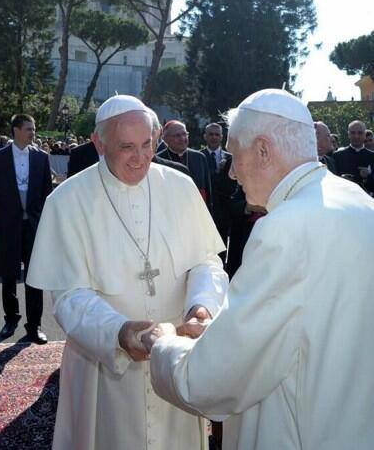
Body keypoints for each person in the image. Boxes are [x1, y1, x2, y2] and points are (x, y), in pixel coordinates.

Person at [146, 88, 374, 450]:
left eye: (235, 156)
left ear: (264, 150)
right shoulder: (357, 200)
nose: (233, 173)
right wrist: (221, 330)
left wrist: (163, 345)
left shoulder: (283, 227)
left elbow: (216, 378)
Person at [26, 94, 228, 450]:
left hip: (173, 357)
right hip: (105, 366)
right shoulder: (68, 201)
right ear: (98, 143)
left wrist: (201, 306)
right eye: (126, 147)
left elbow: (206, 261)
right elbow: (70, 295)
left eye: (147, 144)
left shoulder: (180, 187)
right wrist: (120, 332)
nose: (140, 158)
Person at [0, 114, 52, 343]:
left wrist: (50, 229)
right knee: (8, 275)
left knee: (35, 276)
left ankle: (35, 325)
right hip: (7, 227)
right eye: (29, 129)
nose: (33, 133)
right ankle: (10, 319)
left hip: (33, 227)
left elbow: (47, 197)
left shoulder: (42, 158)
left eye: (34, 129)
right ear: (16, 130)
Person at [158, 120, 212, 207]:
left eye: (184, 134)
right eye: (177, 135)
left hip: (197, 210)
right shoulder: (159, 160)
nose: (182, 138)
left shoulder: (199, 157)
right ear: (165, 139)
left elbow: (208, 191)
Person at [201, 123, 236, 250]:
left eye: (217, 134)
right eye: (211, 134)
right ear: (205, 136)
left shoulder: (231, 158)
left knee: (223, 247)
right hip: (205, 210)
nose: (214, 137)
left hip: (225, 211)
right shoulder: (198, 157)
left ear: (222, 137)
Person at [333, 120, 374, 194]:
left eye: (360, 133)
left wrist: (367, 177)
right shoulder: (337, 156)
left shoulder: (372, 156)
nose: (356, 136)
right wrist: (341, 179)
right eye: (353, 133)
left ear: (364, 135)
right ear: (348, 134)